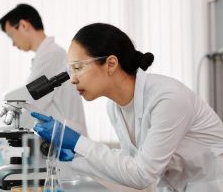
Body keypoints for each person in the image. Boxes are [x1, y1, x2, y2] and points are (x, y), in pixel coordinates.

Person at [31, 23, 223, 191]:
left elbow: (142, 174)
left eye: (78, 68)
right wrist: (77, 158)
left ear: (111, 63)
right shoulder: (114, 108)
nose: (72, 80)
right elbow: (131, 162)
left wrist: (78, 142)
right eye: (70, 70)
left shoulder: (168, 98)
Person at [0, 4, 87, 136]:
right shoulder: (48, 55)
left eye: (12, 35)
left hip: (69, 143)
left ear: (23, 25)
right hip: (64, 138)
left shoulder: (52, 55)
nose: (13, 44)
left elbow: (31, 101)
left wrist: (1, 131)